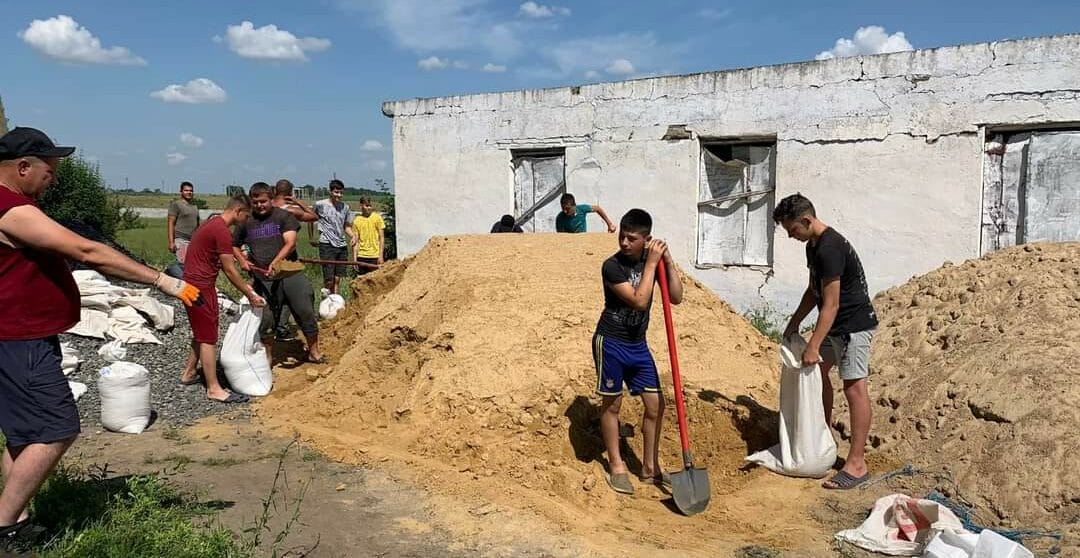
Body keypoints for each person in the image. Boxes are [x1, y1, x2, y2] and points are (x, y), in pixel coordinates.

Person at [0, 127, 200, 547]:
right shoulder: (12, 209)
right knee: (57, 426)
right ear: (23, 167)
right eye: (49, 170)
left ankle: (17, 516)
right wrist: (164, 282)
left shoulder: (16, 205)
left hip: (20, 336)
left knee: (24, 432)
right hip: (20, 339)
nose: (52, 178)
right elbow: (87, 251)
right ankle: (4, 527)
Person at [774, 193, 878, 490]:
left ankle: (857, 464)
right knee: (818, 374)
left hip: (853, 326)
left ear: (806, 220)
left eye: (793, 230)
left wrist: (814, 345)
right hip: (836, 325)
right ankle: (824, 439)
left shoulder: (830, 248)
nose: (792, 237)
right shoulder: (813, 247)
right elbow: (814, 291)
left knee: (854, 387)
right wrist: (794, 322)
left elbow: (830, 304)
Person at [593, 208, 682, 495]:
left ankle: (649, 467)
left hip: (638, 345)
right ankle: (617, 466)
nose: (624, 243)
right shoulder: (612, 266)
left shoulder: (652, 262)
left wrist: (666, 261)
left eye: (632, 239)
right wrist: (652, 264)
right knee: (613, 404)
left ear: (646, 240)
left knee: (656, 405)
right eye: (622, 236)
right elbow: (639, 301)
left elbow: (677, 296)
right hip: (611, 342)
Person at [180, 193, 266, 402]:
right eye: (246, 216)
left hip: (192, 284)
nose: (246, 221)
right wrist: (249, 294)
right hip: (200, 288)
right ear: (238, 211)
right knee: (209, 338)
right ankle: (214, 388)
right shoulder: (222, 231)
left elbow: (223, 261)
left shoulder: (213, 224)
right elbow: (229, 269)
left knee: (202, 331)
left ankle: (189, 372)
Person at [232, 182, 324, 364]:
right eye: (256, 202)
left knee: (304, 309)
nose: (260, 205)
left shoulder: (283, 216)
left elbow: (290, 243)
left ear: (271, 199)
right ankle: (267, 358)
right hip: (262, 277)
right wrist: (242, 260)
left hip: (289, 273)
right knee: (266, 318)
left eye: (263, 201)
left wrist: (276, 261)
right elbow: (234, 244)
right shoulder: (246, 221)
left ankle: (314, 351)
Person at [271, 179, 318, 340]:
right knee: (294, 293)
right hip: (287, 257)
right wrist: (298, 201)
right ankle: (282, 328)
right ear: (290, 193)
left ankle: (276, 327)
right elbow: (313, 217)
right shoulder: (290, 210)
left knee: (274, 294)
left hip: (267, 255)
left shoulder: (267, 207)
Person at [313, 179, 357, 294]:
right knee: (329, 278)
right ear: (330, 191)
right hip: (327, 244)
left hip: (341, 244)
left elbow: (346, 226)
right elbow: (310, 219)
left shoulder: (345, 207)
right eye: (336, 192)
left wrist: (353, 236)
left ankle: (335, 299)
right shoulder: (320, 205)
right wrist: (311, 236)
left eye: (341, 192)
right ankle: (327, 299)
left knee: (338, 278)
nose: (339, 195)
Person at [167, 181, 200, 265]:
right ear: (181, 192)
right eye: (186, 190)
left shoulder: (194, 207)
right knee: (183, 265)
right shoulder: (176, 205)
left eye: (191, 191)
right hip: (181, 240)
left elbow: (197, 225)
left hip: (193, 241)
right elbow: (171, 223)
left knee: (192, 265)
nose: (189, 192)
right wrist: (171, 242)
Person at [351, 196, 385, 276]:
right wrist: (354, 259)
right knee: (362, 281)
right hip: (361, 255)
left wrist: (381, 256)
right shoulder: (357, 220)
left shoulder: (377, 218)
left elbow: (381, 238)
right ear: (361, 206)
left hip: (374, 255)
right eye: (366, 206)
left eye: (370, 205)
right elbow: (356, 241)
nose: (369, 208)